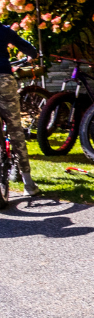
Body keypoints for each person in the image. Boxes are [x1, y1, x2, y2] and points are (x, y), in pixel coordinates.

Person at [0, 22, 40, 196]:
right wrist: (32, 55)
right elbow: (29, 49)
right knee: (15, 129)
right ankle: (28, 183)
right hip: (3, 80)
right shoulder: (3, 30)